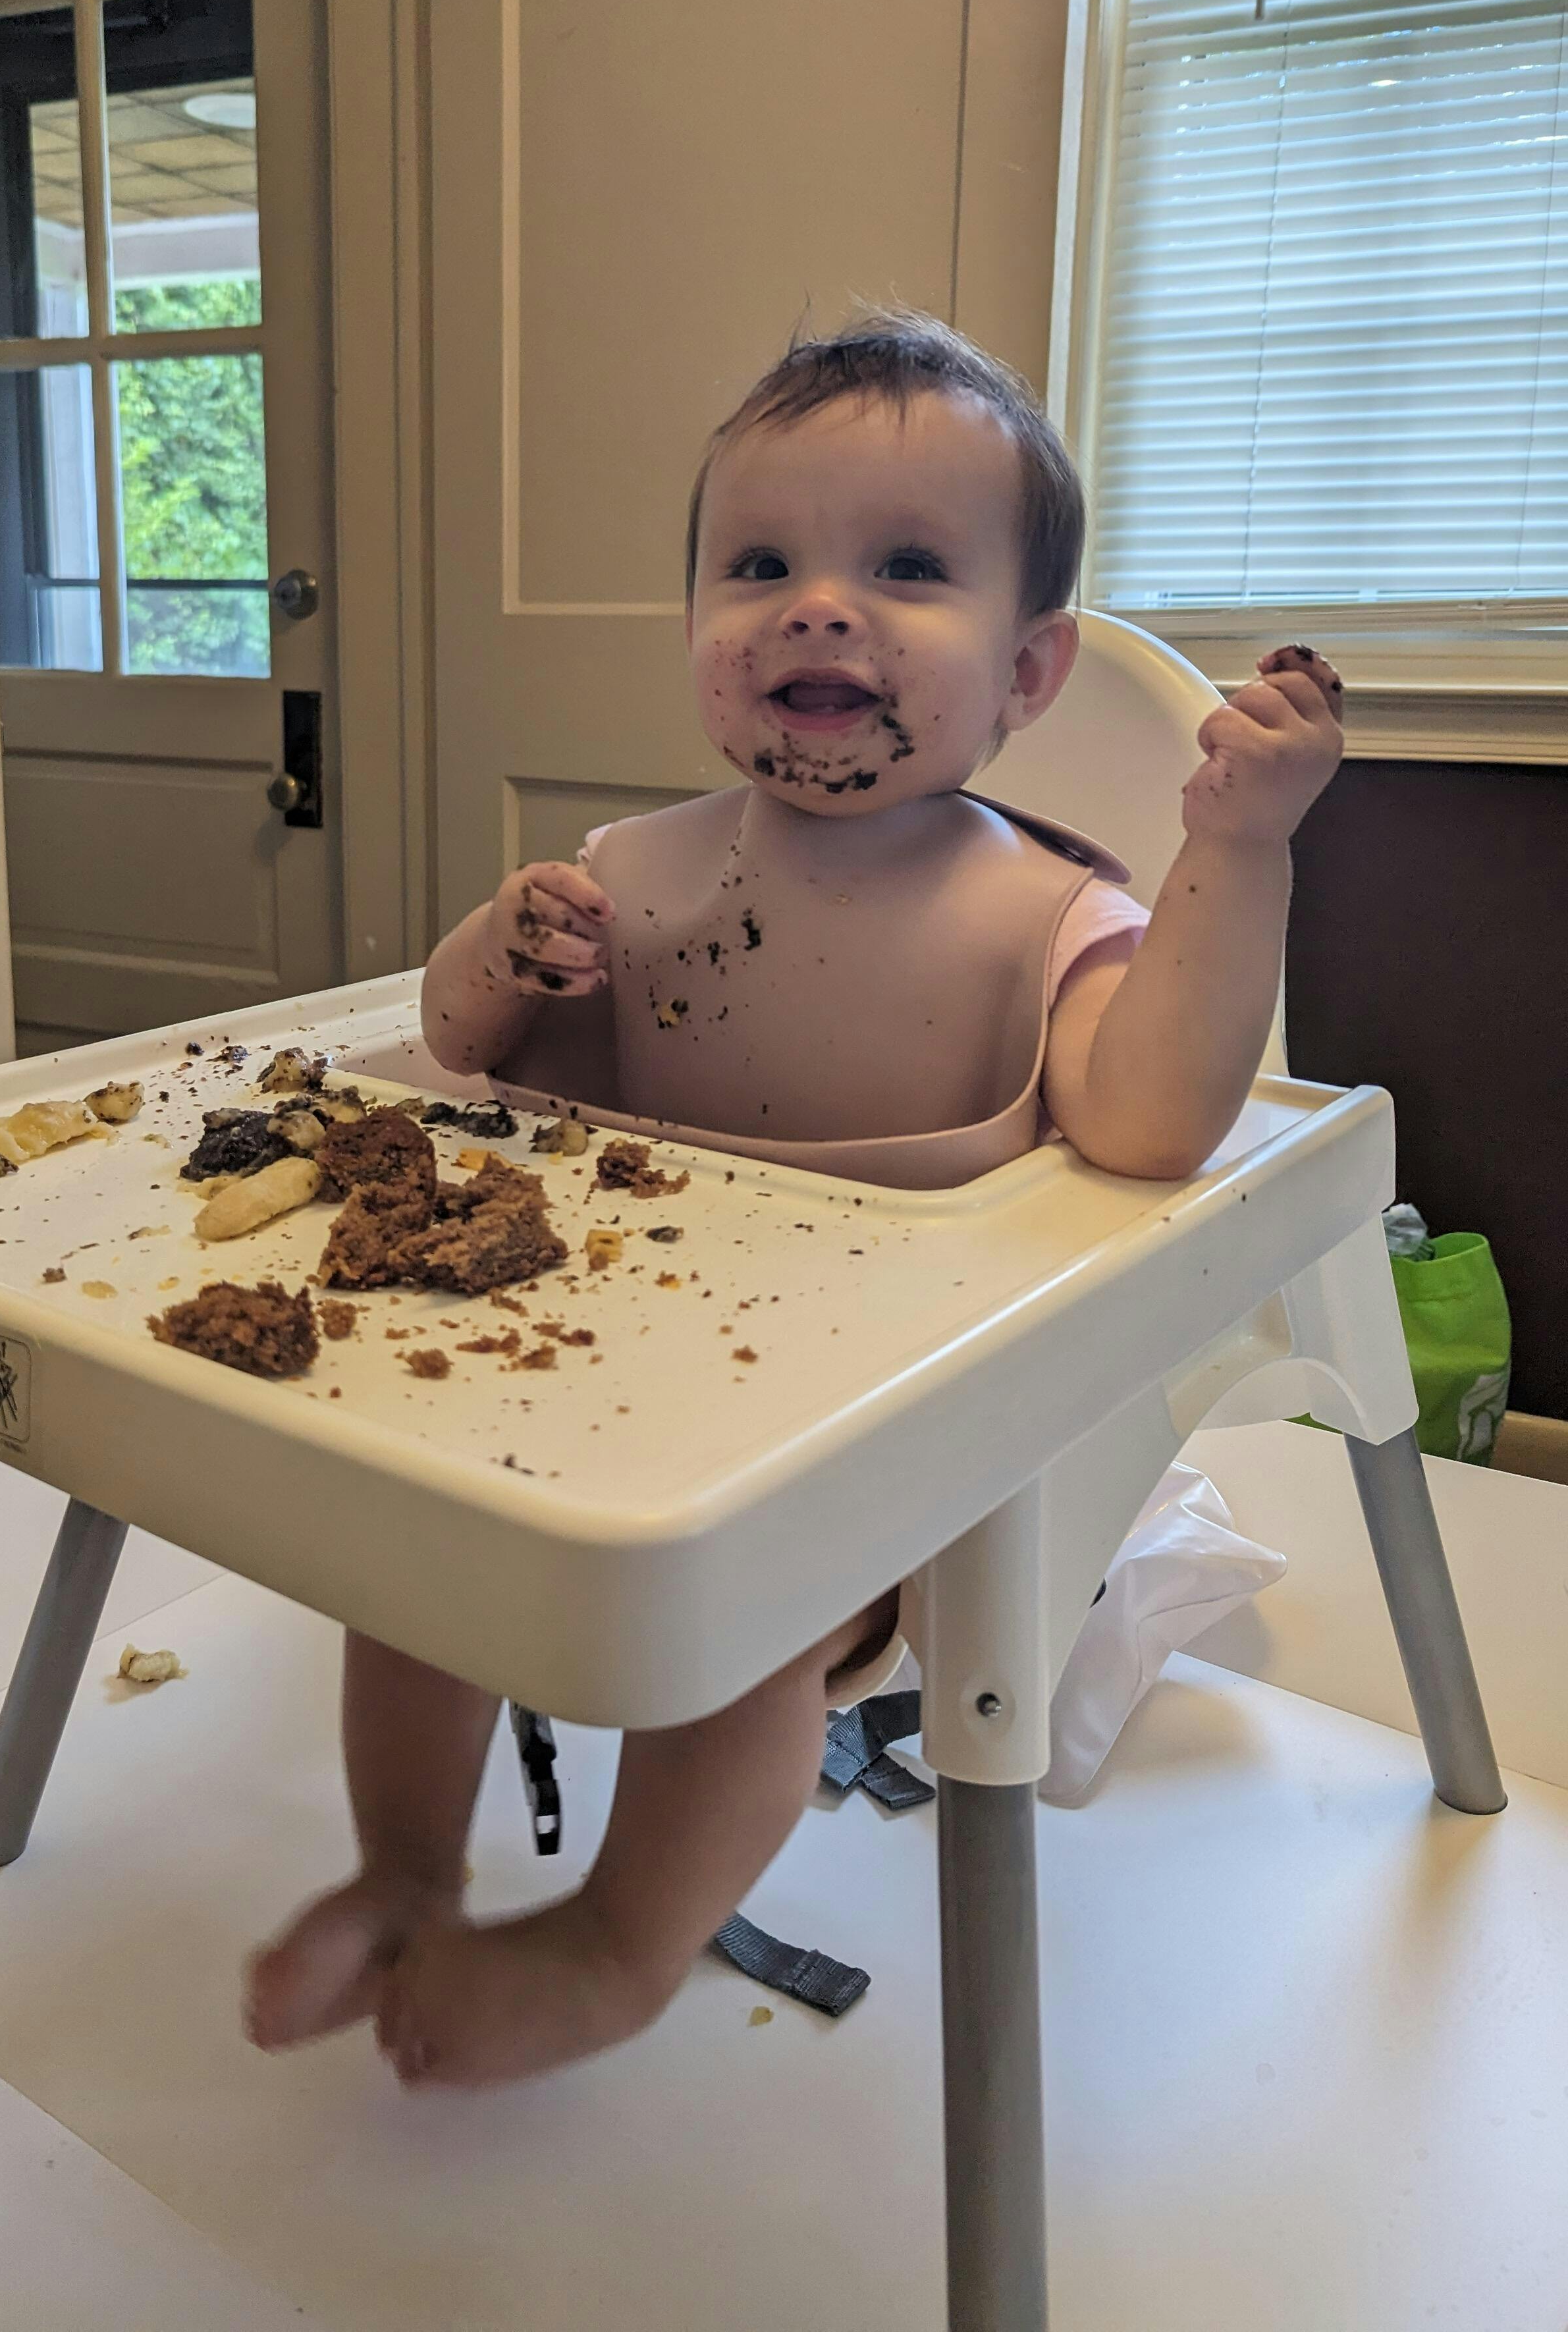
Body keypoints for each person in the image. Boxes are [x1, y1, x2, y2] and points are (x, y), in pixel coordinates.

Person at [247, 309, 1343, 2089]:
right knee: (416, 1559)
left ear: (1030, 671)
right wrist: (506, 953)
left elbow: (1150, 1126)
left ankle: (620, 1944)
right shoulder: (634, 873)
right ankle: (400, 1871)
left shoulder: (1047, 917)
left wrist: (1239, 848)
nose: (819, 606)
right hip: (589, 1354)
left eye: (907, 568)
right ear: (696, 625)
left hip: (864, 1435)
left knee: (741, 1635)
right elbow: (456, 1048)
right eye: (760, 565)